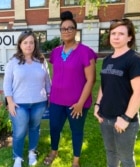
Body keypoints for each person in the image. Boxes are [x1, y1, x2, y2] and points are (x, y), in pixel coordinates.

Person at [43, 11, 97, 167]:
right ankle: (54, 151)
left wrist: (80, 103)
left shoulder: (85, 52)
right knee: (54, 128)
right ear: (60, 32)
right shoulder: (55, 52)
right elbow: (56, 74)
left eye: (70, 28)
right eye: (63, 29)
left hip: (77, 103)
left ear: (75, 30)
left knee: (76, 131)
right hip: (56, 101)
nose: (66, 31)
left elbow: (91, 80)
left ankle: (75, 160)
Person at [94, 18, 140, 167]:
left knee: (126, 158)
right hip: (105, 118)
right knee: (110, 152)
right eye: (113, 33)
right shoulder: (107, 59)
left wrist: (126, 118)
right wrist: (98, 105)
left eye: (121, 34)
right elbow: (105, 85)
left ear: (129, 37)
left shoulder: (134, 59)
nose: (116, 37)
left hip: (125, 120)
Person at [3, 30, 51, 167]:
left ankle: (31, 152)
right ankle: (17, 157)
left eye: (31, 42)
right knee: (20, 131)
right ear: (20, 44)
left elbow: (48, 80)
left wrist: (49, 96)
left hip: (39, 103)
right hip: (19, 104)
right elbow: (7, 83)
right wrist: (10, 102)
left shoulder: (41, 61)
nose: (28, 45)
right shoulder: (13, 62)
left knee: (35, 128)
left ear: (35, 44)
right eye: (25, 42)